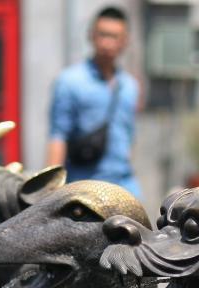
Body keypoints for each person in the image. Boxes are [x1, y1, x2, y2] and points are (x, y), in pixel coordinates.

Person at [47, 6, 141, 197]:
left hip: (125, 186)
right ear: (91, 36)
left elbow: (129, 136)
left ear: (125, 41)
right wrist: (50, 191)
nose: (107, 43)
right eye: (103, 35)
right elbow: (58, 136)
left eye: (114, 36)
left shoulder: (130, 86)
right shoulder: (70, 81)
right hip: (84, 187)